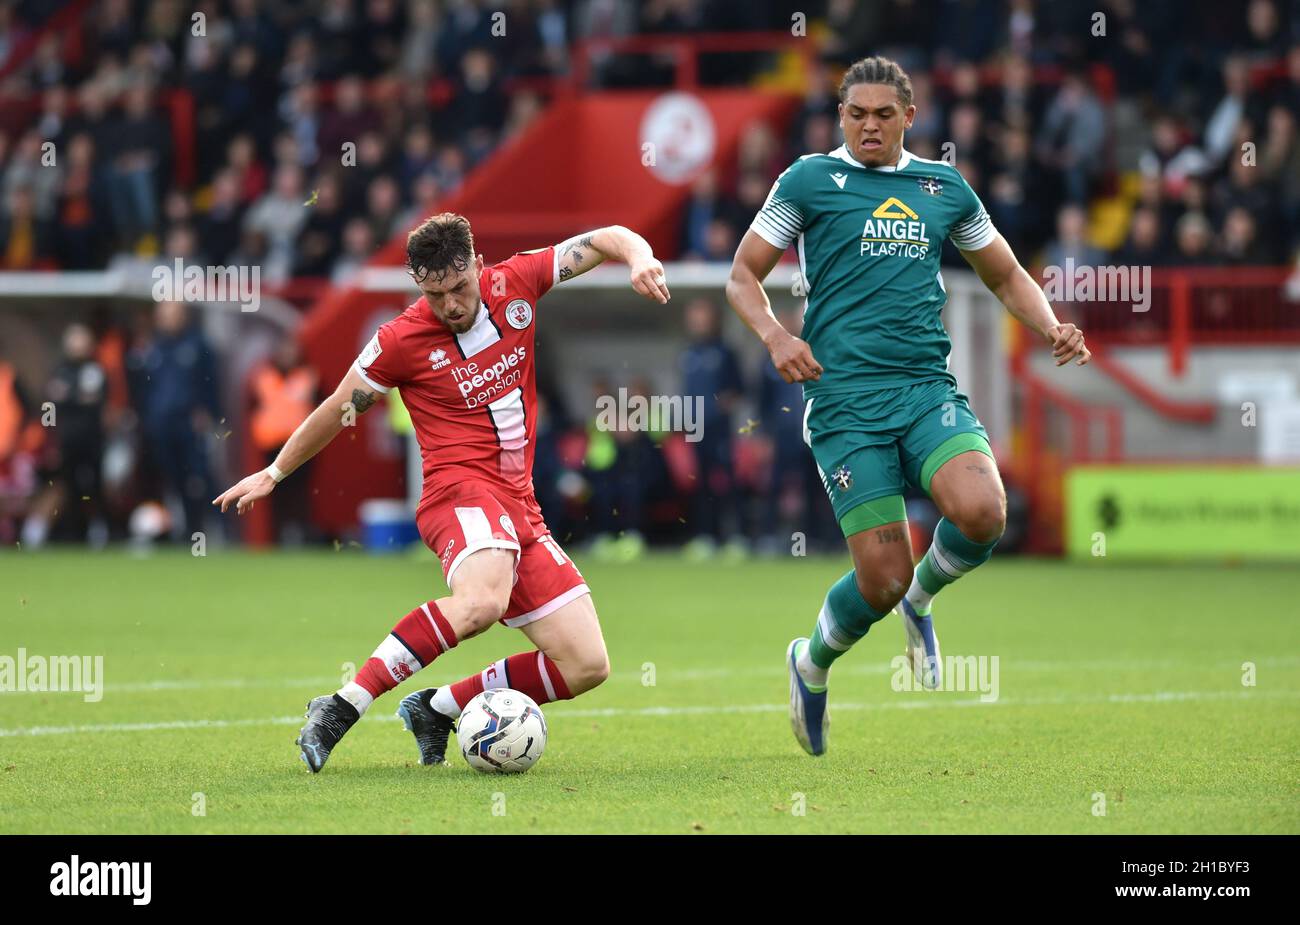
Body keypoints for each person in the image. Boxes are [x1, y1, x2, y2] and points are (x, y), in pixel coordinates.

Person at [726, 56, 1090, 757]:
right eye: (857, 113)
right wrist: (775, 335)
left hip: (925, 389)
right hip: (844, 403)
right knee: (881, 578)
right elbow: (743, 274)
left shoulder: (943, 187)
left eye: (883, 114)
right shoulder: (808, 180)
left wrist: (1049, 325)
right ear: (841, 116)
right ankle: (811, 662)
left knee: (984, 511)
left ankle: (924, 597)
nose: (869, 125)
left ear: (909, 118)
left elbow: (1006, 273)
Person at [213, 213, 669, 772]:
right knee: (482, 603)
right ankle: (340, 707)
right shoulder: (399, 340)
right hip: (458, 492)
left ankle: (438, 706)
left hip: (519, 505)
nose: (450, 304)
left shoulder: (517, 281)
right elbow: (339, 407)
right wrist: (275, 472)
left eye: (459, 288)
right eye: (435, 294)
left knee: (586, 663)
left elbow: (604, 238)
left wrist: (640, 256)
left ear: (479, 266)